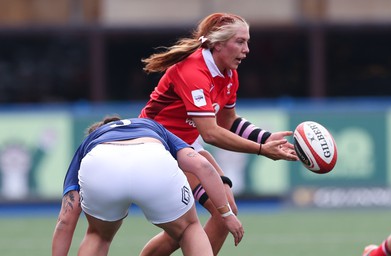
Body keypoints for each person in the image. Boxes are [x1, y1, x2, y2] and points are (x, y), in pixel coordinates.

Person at [139, 12, 298, 255]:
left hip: (185, 146)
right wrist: (261, 150)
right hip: (158, 146)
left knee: (215, 217)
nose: (246, 49)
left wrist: (265, 138)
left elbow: (227, 121)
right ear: (218, 44)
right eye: (240, 42)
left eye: (247, 42)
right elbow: (211, 133)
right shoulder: (193, 71)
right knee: (205, 220)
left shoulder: (229, 74)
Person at [52, 116, 244, 256]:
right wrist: (226, 214)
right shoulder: (150, 126)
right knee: (188, 229)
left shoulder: (89, 143)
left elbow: (66, 219)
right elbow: (202, 166)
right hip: (151, 155)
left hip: (100, 165)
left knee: (98, 235)